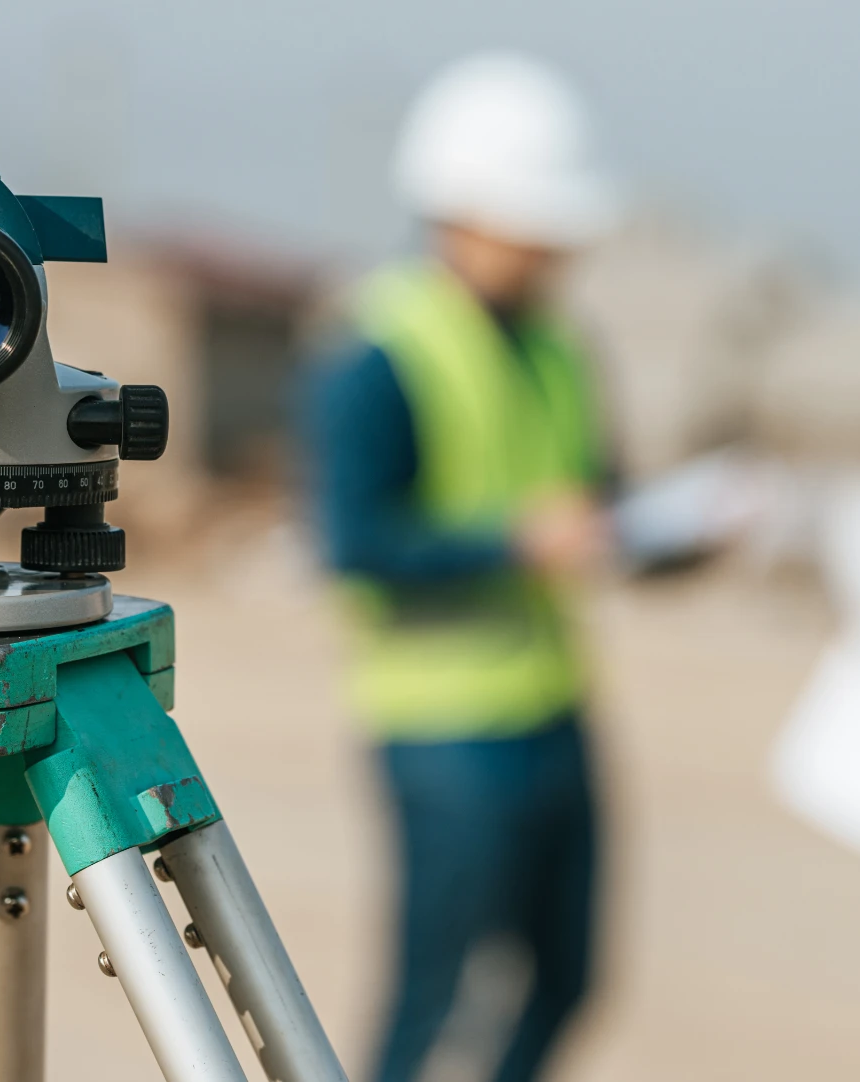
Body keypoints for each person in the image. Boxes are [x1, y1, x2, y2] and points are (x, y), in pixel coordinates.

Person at [303, 52, 618, 1082]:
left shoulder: (560, 347)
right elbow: (355, 545)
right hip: (442, 729)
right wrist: (515, 542)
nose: (554, 250)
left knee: (569, 979)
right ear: (465, 212)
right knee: (433, 994)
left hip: (554, 706)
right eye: (535, 226)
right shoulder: (378, 352)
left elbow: (594, 503)